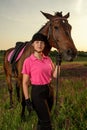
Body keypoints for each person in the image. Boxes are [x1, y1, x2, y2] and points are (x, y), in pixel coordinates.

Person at [22, 33, 60, 130]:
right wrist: (27, 100)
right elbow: (25, 83)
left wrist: (58, 63)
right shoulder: (28, 61)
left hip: (49, 91)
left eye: (42, 42)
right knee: (47, 123)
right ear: (33, 44)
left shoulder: (48, 59)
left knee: (42, 120)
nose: (39, 44)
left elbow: (55, 75)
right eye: (37, 42)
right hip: (37, 93)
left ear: (44, 45)